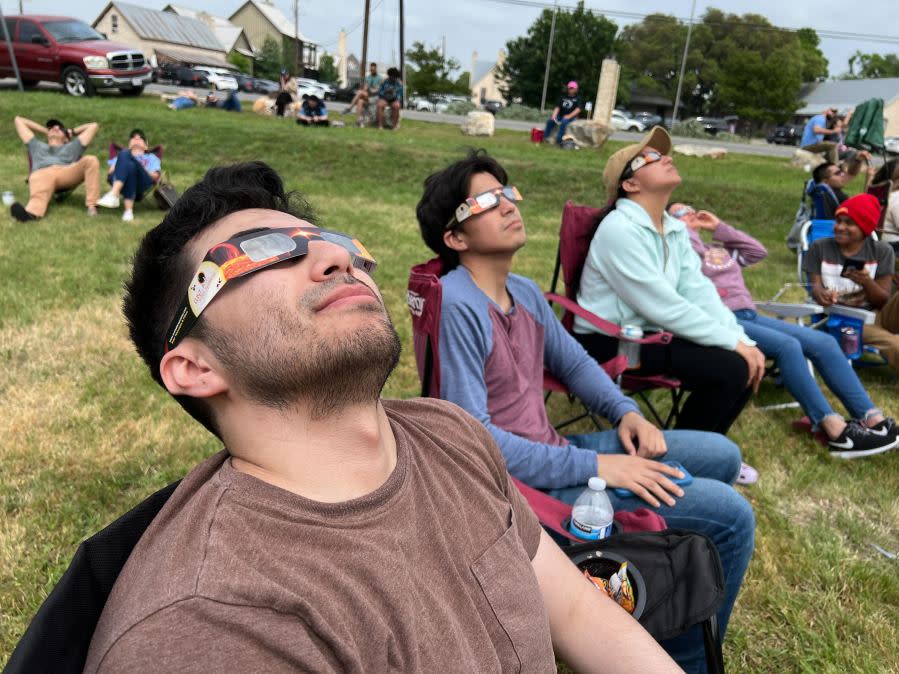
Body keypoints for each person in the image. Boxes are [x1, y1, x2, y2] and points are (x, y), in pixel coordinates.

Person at [83, 161, 680, 673]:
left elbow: (577, 613)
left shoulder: (450, 434)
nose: (336, 256)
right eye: (262, 251)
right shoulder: (210, 626)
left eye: (329, 238)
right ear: (194, 367)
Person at [415, 150, 755, 673]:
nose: (507, 204)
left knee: (723, 455)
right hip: (521, 490)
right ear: (455, 238)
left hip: (559, 453)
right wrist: (598, 467)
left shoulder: (524, 292)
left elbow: (575, 366)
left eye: (507, 192)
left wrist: (625, 414)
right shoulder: (459, 304)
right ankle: (686, 662)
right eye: (485, 200)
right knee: (730, 516)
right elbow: (475, 441)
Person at [574, 126, 765, 436]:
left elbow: (698, 291)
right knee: (731, 369)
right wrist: (732, 344)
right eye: (651, 157)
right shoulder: (619, 229)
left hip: (652, 333)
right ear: (630, 183)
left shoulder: (672, 229)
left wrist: (741, 339)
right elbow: (663, 306)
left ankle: (708, 450)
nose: (666, 158)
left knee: (746, 361)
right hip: (612, 343)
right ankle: (685, 457)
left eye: (663, 154)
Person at [672, 202, 898, 458]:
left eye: (690, 209)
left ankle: (871, 418)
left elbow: (757, 252)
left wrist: (718, 227)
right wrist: (681, 230)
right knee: (788, 346)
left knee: (824, 344)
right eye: (679, 212)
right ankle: (833, 429)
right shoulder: (679, 248)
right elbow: (682, 259)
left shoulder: (718, 250)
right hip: (718, 318)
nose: (689, 214)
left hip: (747, 313)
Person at [805, 193, 899, 374]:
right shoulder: (820, 248)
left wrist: (866, 282)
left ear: (864, 227)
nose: (840, 227)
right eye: (838, 221)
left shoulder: (881, 251)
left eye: (849, 223)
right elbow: (814, 288)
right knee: (893, 343)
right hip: (844, 320)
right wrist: (821, 294)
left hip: (876, 313)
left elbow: (882, 300)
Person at [11, 116, 100, 221]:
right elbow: (18, 120)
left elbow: (94, 126)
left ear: (66, 138)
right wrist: (46, 131)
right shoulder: (36, 145)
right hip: (42, 173)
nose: (55, 128)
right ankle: (31, 214)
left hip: (65, 173)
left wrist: (71, 131)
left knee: (91, 160)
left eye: (60, 128)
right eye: (51, 128)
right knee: (41, 182)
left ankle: (92, 206)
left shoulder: (72, 147)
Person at [97, 129, 161, 222]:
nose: (136, 140)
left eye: (140, 139)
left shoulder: (151, 157)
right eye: (133, 138)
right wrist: (125, 160)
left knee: (132, 164)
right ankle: (128, 212)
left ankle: (114, 194)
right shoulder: (123, 155)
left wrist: (139, 166)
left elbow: (155, 176)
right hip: (122, 178)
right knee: (130, 166)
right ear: (129, 144)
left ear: (145, 145)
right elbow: (110, 172)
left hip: (143, 181)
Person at [543, 81, 582, 146]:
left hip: (571, 117)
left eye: (572, 88)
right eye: (569, 88)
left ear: (576, 89)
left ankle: (559, 141)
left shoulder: (578, 98)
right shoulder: (563, 97)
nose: (570, 89)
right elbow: (557, 107)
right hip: (561, 115)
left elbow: (578, 109)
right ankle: (545, 138)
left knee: (564, 122)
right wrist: (554, 116)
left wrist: (569, 116)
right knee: (550, 121)